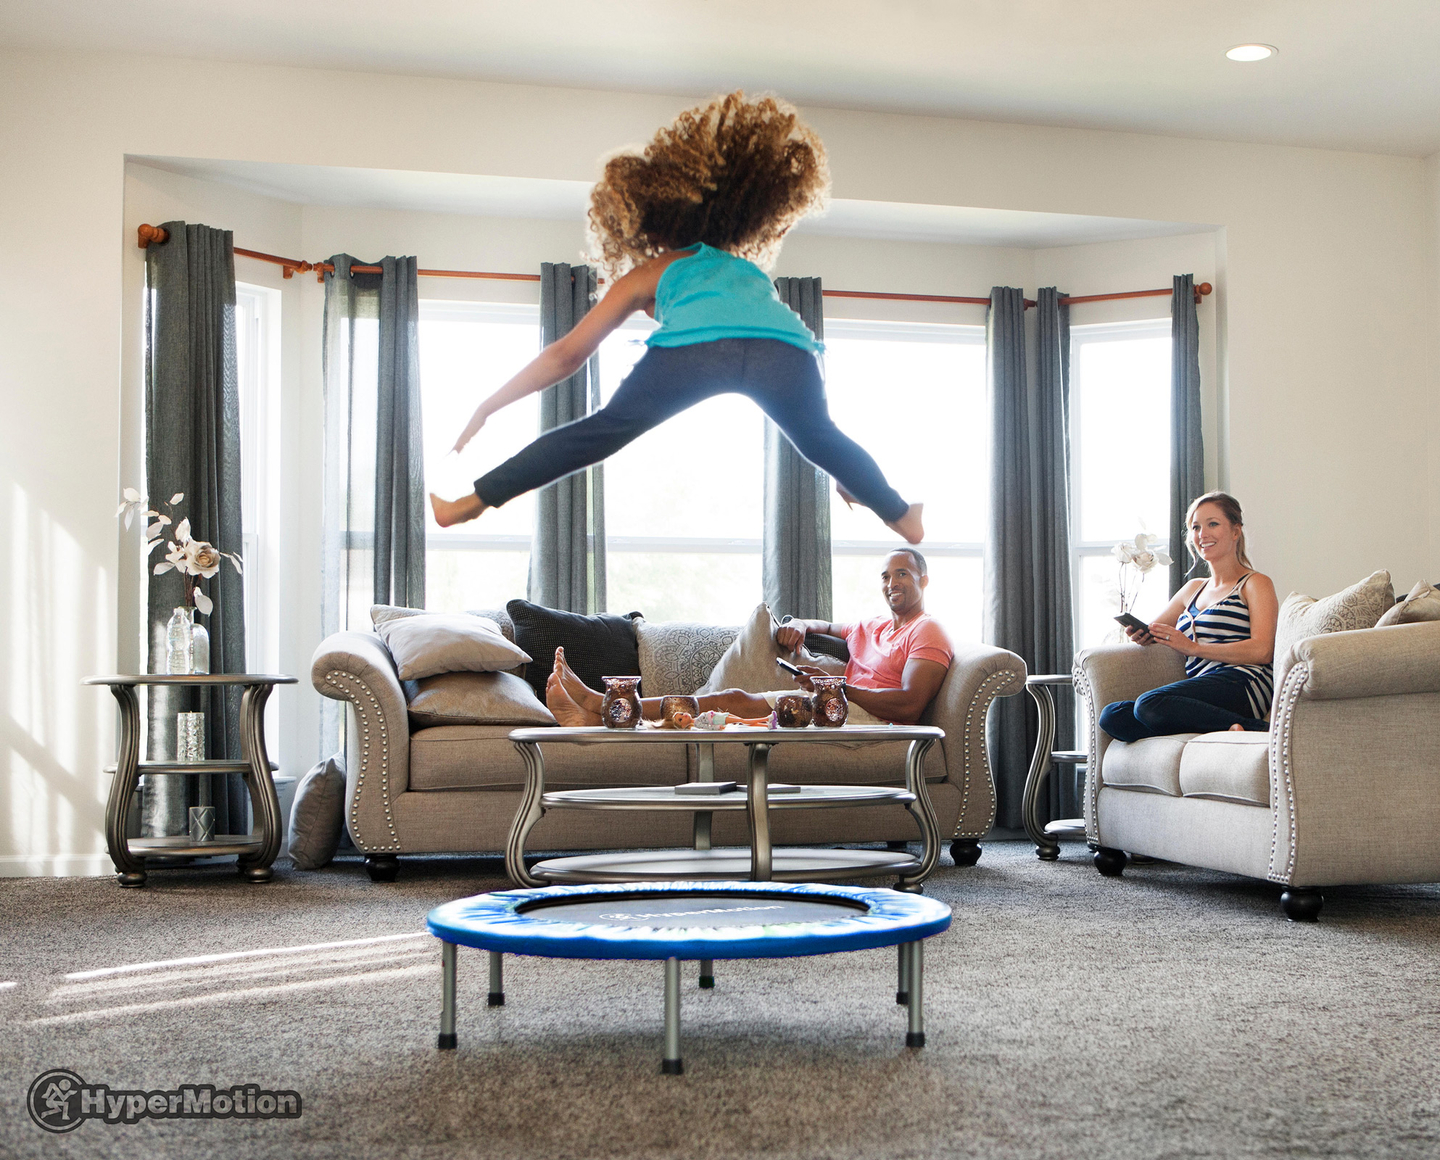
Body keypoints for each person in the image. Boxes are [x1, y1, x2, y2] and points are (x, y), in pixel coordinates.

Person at [428, 91, 924, 545]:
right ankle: (902, 515)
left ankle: (467, 505)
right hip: (787, 347)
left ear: (654, 226)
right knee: (822, 437)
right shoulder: (743, 269)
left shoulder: (653, 269)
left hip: (698, 350)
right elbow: (796, 395)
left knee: (604, 430)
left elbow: (566, 356)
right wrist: (846, 475)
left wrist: (488, 406)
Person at [546, 549, 953, 727]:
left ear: (923, 579)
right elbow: (826, 626)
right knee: (725, 716)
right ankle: (600, 716)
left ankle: (607, 705)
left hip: (870, 720)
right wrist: (802, 624)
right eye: (885, 575)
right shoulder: (875, 625)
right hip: (835, 706)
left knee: (730, 703)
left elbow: (911, 703)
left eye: (902, 573)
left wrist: (837, 688)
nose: (892, 582)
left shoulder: (927, 630)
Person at [1099, 492, 1277, 741]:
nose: (1202, 534)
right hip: (1202, 689)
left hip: (1243, 683)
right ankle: (1225, 726)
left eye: (1213, 524)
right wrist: (1143, 635)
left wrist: (1194, 648)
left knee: (1149, 704)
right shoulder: (1192, 588)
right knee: (1112, 715)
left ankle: (1261, 729)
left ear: (1235, 531)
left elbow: (1262, 651)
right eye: (1196, 527)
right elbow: (1156, 628)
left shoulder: (1254, 583)